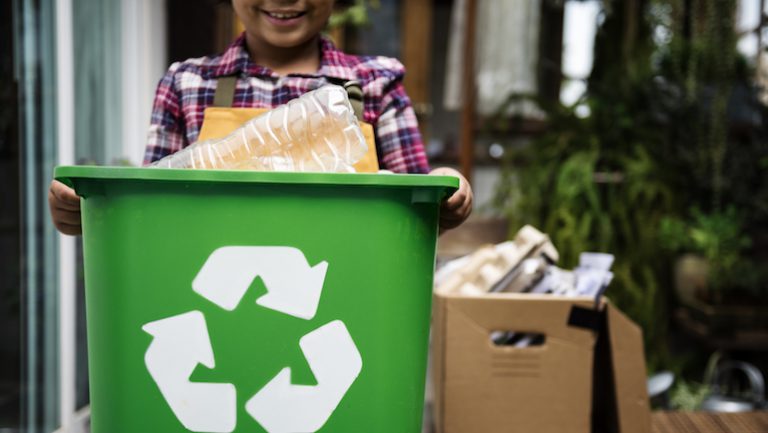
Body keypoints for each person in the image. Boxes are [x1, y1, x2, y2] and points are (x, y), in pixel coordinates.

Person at [49, 0, 472, 235]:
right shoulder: (187, 83)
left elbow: (418, 208)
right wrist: (86, 213)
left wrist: (446, 192)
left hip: (342, 301)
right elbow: (149, 215)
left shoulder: (376, 84)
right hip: (210, 296)